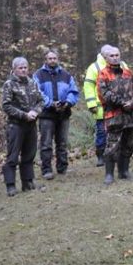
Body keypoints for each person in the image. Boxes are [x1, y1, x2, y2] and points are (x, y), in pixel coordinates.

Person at [1, 57, 44, 197]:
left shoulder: (32, 83)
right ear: (14, 69)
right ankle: (10, 185)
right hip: (16, 125)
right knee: (13, 156)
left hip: (31, 125)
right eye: (20, 68)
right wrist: (23, 115)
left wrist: (35, 112)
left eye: (25, 67)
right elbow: (6, 106)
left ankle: (28, 182)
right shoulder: (9, 84)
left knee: (29, 154)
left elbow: (41, 101)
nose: (23, 70)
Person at [97, 46, 133, 185]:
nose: (115, 57)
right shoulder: (103, 74)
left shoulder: (128, 72)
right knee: (112, 146)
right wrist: (123, 103)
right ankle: (109, 174)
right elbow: (104, 95)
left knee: (128, 144)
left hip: (130, 115)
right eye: (112, 55)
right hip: (114, 115)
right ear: (106, 58)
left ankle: (124, 171)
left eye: (117, 55)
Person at [33, 49, 79, 179]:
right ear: (45, 60)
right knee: (46, 143)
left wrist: (68, 102)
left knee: (62, 142)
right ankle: (46, 169)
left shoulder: (66, 74)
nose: (52, 60)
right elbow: (37, 93)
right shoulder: (38, 75)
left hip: (64, 113)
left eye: (54, 58)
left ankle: (62, 167)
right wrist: (51, 103)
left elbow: (73, 91)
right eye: (50, 58)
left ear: (58, 59)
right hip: (46, 114)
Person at [83, 45, 114, 167]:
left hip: (117, 108)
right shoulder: (94, 67)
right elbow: (88, 87)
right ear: (103, 54)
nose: (110, 57)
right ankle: (100, 155)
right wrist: (91, 104)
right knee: (102, 133)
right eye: (108, 55)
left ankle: (114, 155)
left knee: (116, 132)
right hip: (101, 108)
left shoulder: (120, 65)